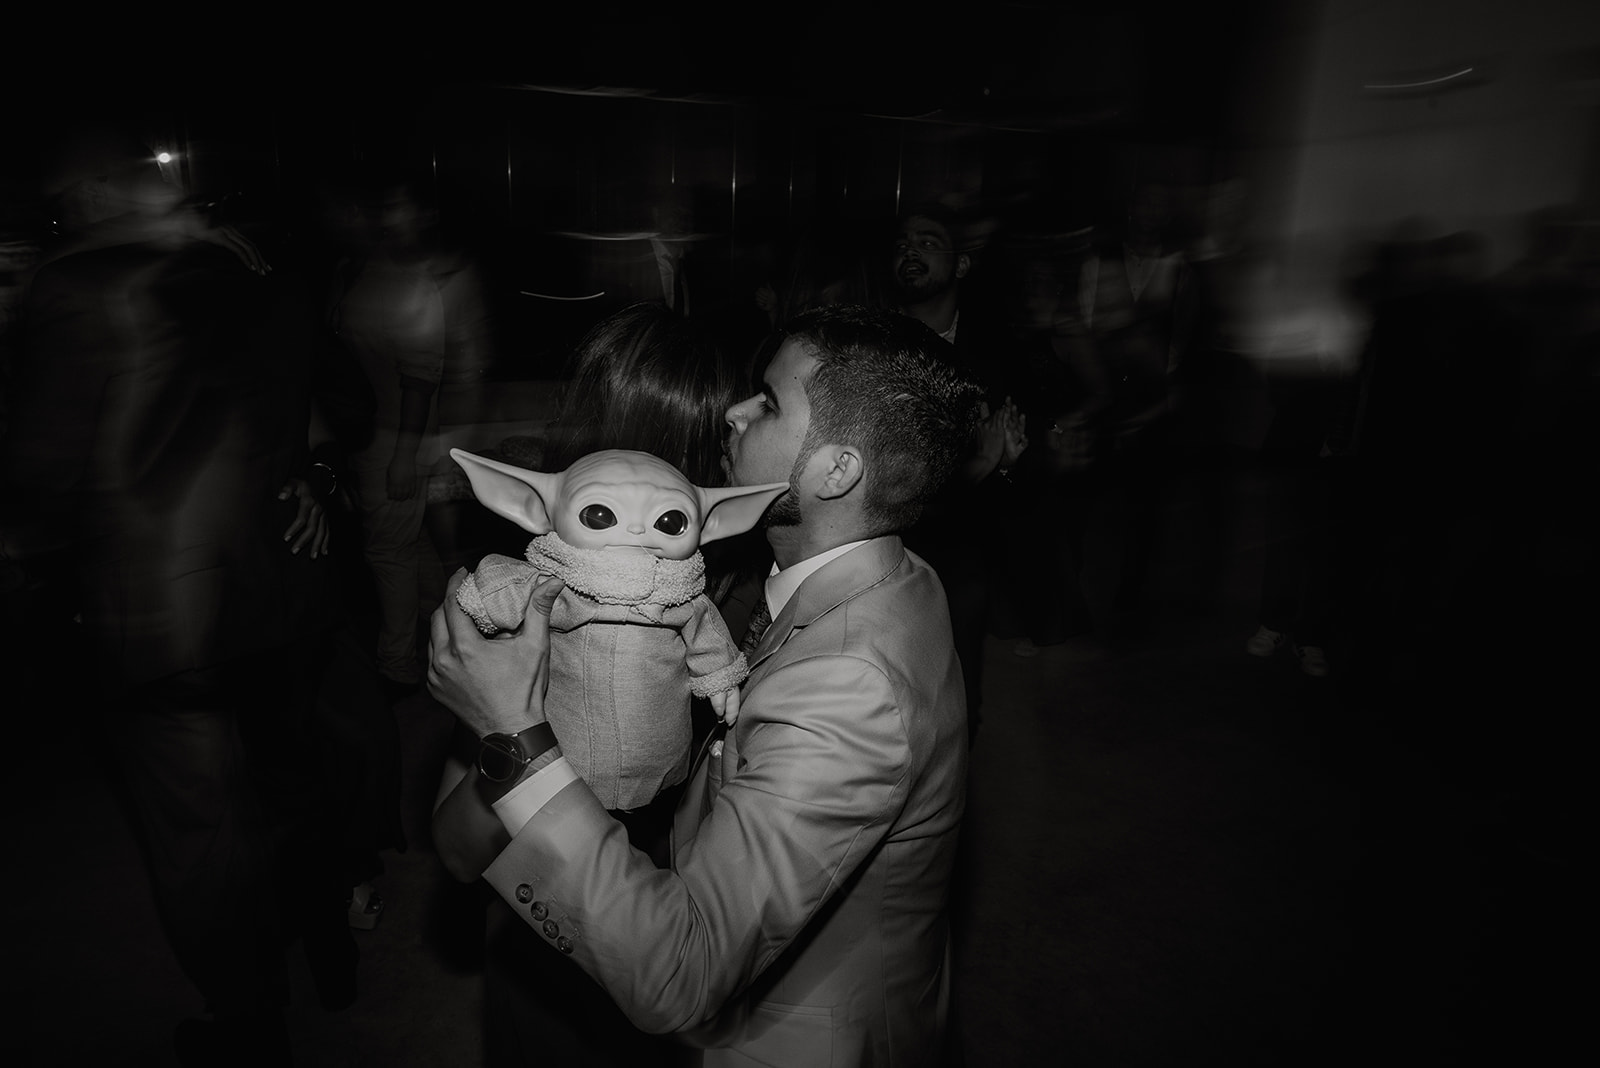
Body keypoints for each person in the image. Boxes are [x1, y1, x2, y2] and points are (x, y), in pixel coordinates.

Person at [428, 304, 983, 1065]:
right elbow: (460, 842)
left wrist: (513, 732)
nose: (736, 414)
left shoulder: (843, 676)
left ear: (838, 469)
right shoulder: (887, 573)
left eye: (768, 401)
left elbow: (680, 970)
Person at [3, 128, 357, 1066]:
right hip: (284, 585)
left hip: (165, 615)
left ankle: (248, 1024)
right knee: (289, 785)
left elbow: (42, 474)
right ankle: (329, 949)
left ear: (92, 195)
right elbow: (318, 404)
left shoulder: (78, 286)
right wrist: (313, 477)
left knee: (201, 831)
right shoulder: (257, 269)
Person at [435, 301, 760, 1067]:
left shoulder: (761, 593)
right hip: (556, 920)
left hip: (699, 931)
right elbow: (459, 847)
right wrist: (510, 730)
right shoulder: (536, 589)